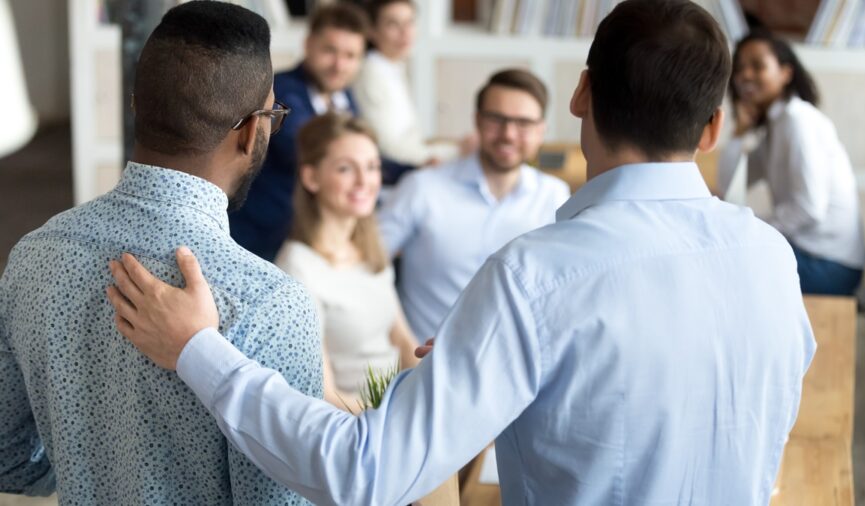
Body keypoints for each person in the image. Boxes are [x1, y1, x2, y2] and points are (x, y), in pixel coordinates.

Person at [107, 1, 816, 504]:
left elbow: (364, 475)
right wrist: (519, 365)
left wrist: (199, 348)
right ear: (715, 126)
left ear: (579, 94)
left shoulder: (537, 278)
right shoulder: (771, 257)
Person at [0, 3, 320, 504]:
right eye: (275, 115)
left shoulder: (32, 256)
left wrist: (92, 466)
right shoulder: (269, 303)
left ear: (137, 105)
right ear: (251, 130)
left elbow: (10, 458)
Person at [379, 68, 570, 343]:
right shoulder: (422, 188)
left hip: (521, 367)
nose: (509, 134)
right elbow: (365, 266)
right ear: (477, 121)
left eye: (523, 123)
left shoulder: (555, 197)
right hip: (427, 365)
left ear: (542, 131)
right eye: (497, 119)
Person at [274, 113, 418, 410]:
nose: (364, 181)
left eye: (372, 167)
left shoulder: (371, 249)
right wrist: (397, 420)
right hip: (356, 428)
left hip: (396, 409)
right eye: (345, 169)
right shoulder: (298, 268)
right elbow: (324, 395)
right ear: (311, 177)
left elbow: (403, 342)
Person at [717, 29, 865, 295]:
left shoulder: (799, 122)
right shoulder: (777, 126)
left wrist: (753, 227)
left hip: (831, 264)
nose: (745, 76)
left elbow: (809, 208)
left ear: (786, 73)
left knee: (729, 266)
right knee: (728, 259)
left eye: (757, 66)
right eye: (739, 68)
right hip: (809, 252)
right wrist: (740, 130)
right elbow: (728, 186)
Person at [230, 3, 369, 261]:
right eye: (330, 51)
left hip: (310, 238)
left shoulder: (344, 97)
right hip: (262, 240)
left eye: (350, 56)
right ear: (308, 45)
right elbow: (312, 151)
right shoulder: (279, 91)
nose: (339, 65)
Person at [352, 0, 472, 184]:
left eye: (410, 22)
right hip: (393, 177)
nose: (405, 32)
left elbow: (410, 138)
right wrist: (457, 151)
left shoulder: (392, 66)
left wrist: (455, 145)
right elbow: (390, 149)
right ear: (372, 31)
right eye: (393, 24)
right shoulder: (371, 74)